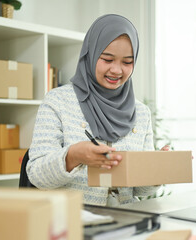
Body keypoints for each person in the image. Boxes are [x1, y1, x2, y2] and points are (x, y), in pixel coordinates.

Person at [27, 14, 169, 206]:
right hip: (73, 223)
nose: (117, 70)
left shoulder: (141, 112)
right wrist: (73, 156)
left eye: (127, 62)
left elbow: (141, 191)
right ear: (91, 54)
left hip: (126, 223)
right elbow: (37, 176)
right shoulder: (57, 101)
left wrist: (157, 169)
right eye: (107, 59)